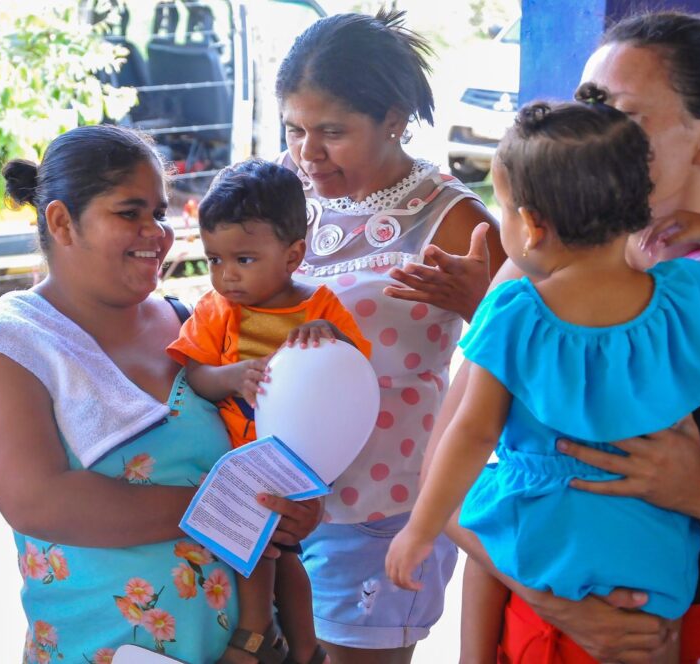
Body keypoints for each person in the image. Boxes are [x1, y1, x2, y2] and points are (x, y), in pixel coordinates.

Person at [401, 11, 700, 663]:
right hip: (534, 623)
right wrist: (553, 605)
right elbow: (458, 468)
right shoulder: (530, 280)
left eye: (620, 113)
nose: (593, 128)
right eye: (586, 104)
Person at [0, 125, 324, 664]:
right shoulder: (4, 347)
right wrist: (239, 510)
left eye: (159, 213)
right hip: (100, 648)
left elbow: (261, 444)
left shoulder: (192, 325)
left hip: (252, 647)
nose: (156, 232)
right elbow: (39, 503)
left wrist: (294, 508)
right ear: (61, 221)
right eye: (129, 212)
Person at [273, 9, 507, 664]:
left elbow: (530, 355)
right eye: (295, 129)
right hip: (281, 497)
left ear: (396, 119)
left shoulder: (454, 219)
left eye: (332, 132)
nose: (307, 152)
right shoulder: (288, 193)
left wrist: (478, 303)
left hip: (384, 504)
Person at [168, 158, 372, 664]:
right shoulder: (217, 312)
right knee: (262, 552)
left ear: (293, 254)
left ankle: (293, 643)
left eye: (243, 259)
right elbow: (194, 374)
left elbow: (355, 373)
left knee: (282, 555)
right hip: (235, 458)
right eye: (214, 259)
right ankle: (267, 632)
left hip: (294, 461)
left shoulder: (320, 309)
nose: (226, 275)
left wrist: (334, 340)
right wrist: (232, 376)